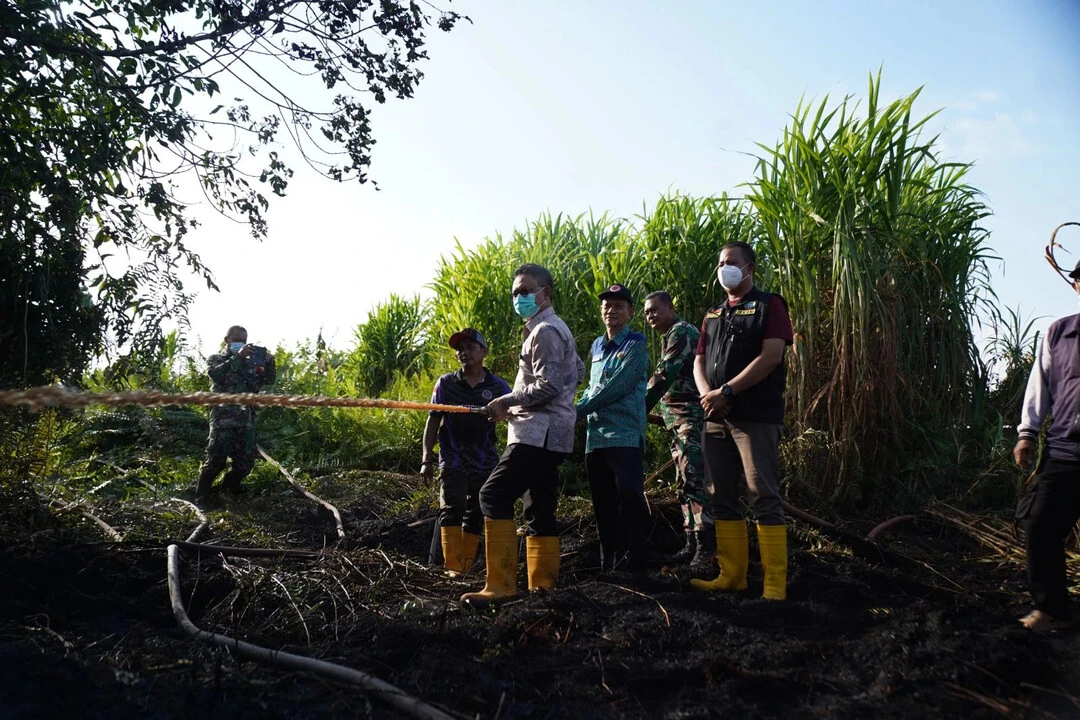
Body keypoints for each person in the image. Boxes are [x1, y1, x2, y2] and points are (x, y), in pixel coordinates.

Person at [461, 264, 585, 606]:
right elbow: (577, 371)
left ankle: (500, 586)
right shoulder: (552, 328)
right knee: (539, 507)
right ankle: (542, 588)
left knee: (492, 496)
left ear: (544, 294)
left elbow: (549, 384)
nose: (519, 298)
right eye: (515, 292)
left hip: (537, 435)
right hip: (551, 434)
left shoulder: (544, 330)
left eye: (525, 291)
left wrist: (506, 401)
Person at [690, 242, 793, 600]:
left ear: (749, 268)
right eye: (720, 263)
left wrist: (727, 393)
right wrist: (708, 395)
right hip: (715, 416)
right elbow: (698, 360)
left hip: (754, 417)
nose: (724, 269)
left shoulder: (770, 305)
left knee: (762, 494)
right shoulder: (714, 314)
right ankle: (732, 576)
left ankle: (774, 584)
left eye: (731, 262)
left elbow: (771, 357)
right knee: (721, 496)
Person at [1012, 261, 1080, 631]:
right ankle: (1051, 609)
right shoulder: (1059, 332)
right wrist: (1027, 433)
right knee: (1040, 525)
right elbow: (1040, 386)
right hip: (1065, 452)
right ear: (1075, 287)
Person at [420, 329, 511, 575]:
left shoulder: (498, 386)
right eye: (460, 349)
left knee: (478, 510)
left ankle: (466, 566)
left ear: (484, 352)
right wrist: (426, 459)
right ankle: (452, 568)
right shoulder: (446, 384)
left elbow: (517, 415)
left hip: (485, 459)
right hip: (453, 457)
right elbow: (433, 421)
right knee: (453, 505)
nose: (464, 352)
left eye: (471, 347)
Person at [577, 283, 650, 572]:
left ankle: (637, 563)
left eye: (619, 306)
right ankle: (611, 564)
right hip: (595, 438)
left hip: (625, 435)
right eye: (607, 305)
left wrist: (578, 411)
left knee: (630, 496)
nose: (611, 310)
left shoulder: (636, 344)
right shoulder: (597, 345)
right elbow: (592, 388)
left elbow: (616, 387)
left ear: (630, 312)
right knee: (603, 502)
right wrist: (570, 408)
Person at [643, 290, 715, 569]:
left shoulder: (681, 331)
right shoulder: (670, 334)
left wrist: (640, 405)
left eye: (655, 309)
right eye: (647, 312)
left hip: (691, 419)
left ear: (670, 307)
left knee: (695, 481)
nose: (650, 315)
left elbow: (665, 373)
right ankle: (691, 544)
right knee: (684, 483)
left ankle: (706, 549)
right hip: (677, 421)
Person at [195, 325, 276, 505]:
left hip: (245, 419)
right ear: (226, 340)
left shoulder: (251, 363)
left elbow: (268, 380)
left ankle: (227, 491)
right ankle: (201, 497)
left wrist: (269, 363)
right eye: (236, 340)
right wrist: (237, 358)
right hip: (223, 419)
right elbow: (215, 374)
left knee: (245, 463)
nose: (240, 344)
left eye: (243, 341)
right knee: (216, 461)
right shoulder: (216, 359)